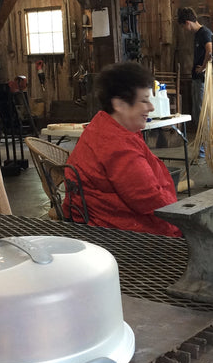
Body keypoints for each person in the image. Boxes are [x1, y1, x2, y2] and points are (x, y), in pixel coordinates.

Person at [63, 61, 181, 238]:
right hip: (120, 233)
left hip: (105, 220)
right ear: (119, 104)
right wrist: (183, 223)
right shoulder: (117, 146)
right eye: (144, 100)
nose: (151, 107)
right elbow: (149, 199)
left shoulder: (104, 124)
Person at [177, 7, 212, 157]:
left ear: (187, 22)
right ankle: (203, 151)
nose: (185, 29)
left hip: (201, 80)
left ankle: (204, 153)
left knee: (202, 115)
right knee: (198, 114)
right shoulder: (199, 34)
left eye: (184, 26)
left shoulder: (204, 33)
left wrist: (203, 67)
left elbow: (210, 51)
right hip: (197, 79)